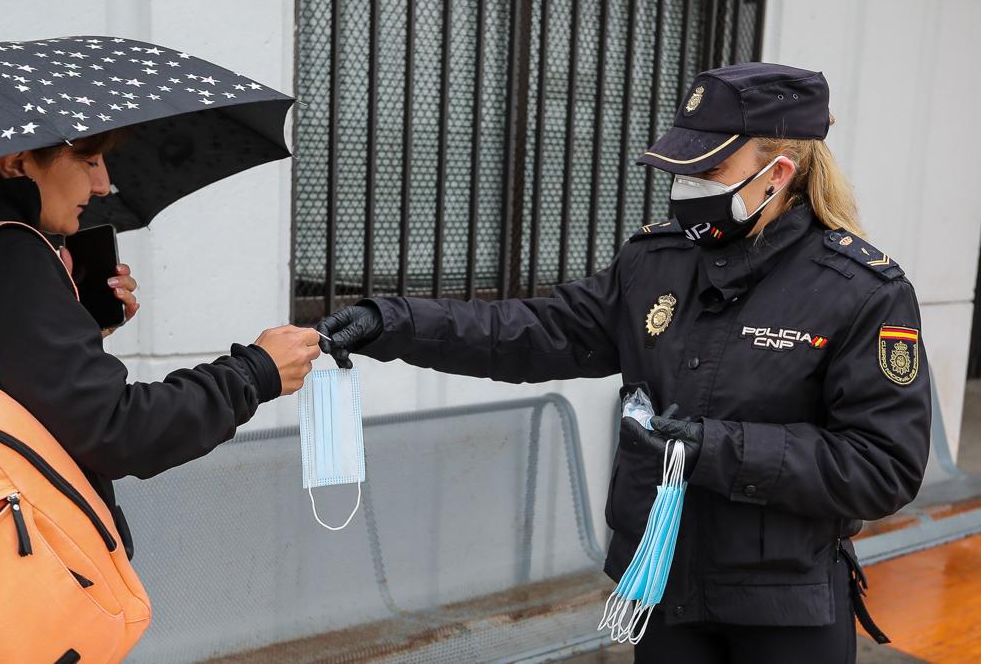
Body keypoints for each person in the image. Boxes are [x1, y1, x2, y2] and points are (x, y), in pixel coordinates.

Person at [317, 63, 930, 663]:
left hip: (782, 607)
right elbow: (537, 332)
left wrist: (715, 448)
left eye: (710, 170)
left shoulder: (860, 291)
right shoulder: (657, 261)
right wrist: (392, 322)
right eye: (683, 170)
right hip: (659, 585)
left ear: (778, 173)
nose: (688, 187)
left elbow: (882, 466)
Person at [0, 131, 321, 658]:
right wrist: (255, 372)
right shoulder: (6, 252)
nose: (103, 184)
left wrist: (75, 328)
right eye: (88, 160)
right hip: (19, 609)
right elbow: (119, 432)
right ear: (16, 161)